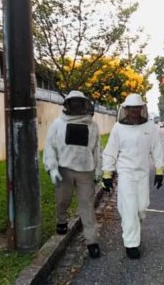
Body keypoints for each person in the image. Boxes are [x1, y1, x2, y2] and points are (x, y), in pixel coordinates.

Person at [102, 93, 164, 259]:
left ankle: (132, 227)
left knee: (141, 208)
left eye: (137, 108)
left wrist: (159, 171)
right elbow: (110, 151)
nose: (135, 111)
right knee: (130, 207)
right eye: (131, 108)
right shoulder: (118, 128)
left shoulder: (150, 127)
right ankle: (131, 244)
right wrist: (107, 173)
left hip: (143, 173)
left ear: (141, 109)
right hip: (125, 173)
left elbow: (157, 149)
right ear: (126, 109)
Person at [43, 90, 102, 258]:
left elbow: (97, 148)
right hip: (65, 170)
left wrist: (98, 169)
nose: (76, 105)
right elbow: (50, 147)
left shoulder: (92, 125)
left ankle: (92, 241)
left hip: (86, 171)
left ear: (84, 104)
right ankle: (61, 221)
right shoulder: (57, 124)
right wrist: (52, 168)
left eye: (79, 102)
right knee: (63, 201)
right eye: (73, 102)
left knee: (87, 206)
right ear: (68, 104)